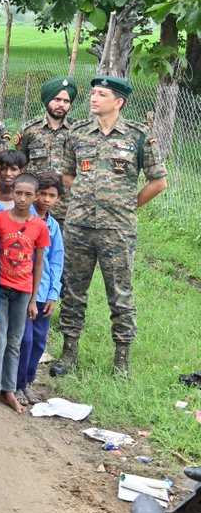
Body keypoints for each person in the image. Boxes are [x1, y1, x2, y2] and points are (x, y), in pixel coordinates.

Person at [51, 76, 167, 377]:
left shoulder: (138, 136)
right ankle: (69, 351)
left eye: (101, 94)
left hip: (117, 230)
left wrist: (127, 205)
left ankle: (121, 361)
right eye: (92, 93)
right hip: (79, 226)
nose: (93, 98)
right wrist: (86, 201)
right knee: (73, 290)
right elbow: (67, 175)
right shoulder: (77, 133)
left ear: (118, 102)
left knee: (120, 293)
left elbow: (158, 182)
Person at [0, 171, 48, 414]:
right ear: (12, 193)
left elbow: (38, 262)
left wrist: (33, 299)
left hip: (22, 290)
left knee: (15, 341)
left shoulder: (39, 226)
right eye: (18, 193)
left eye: (28, 194)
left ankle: (10, 389)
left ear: (36, 196)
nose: (22, 198)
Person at [17, 171, 64, 404]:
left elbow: (56, 261)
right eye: (42, 194)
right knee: (22, 339)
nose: (46, 199)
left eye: (52, 195)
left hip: (44, 292)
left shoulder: (53, 226)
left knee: (38, 341)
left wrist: (53, 294)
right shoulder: (24, 219)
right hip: (22, 288)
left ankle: (28, 381)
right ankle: (16, 383)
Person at [16, 77, 77, 221]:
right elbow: (19, 165)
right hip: (34, 206)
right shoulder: (29, 130)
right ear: (47, 99)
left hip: (68, 207)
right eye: (57, 99)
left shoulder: (78, 131)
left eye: (66, 101)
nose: (61, 104)